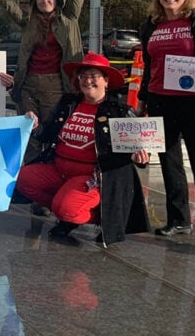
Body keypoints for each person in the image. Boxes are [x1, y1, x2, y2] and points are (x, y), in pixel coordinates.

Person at [17, 52, 149, 245]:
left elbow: (139, 146)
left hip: (90, 176)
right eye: (83, 76)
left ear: (106, 81)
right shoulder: (68, 103)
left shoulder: (118, 111)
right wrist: (35, 125)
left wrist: (140, 157)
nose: (88, 81)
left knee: (66, 208)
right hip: (58, 168)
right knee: (23, 179)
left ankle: (100, 217)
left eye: (94, 76)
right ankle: (67, 210)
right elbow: (47, 132)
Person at [0, 0, 93, 159]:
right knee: (30, 136)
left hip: (57, 86)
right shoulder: (28, 23)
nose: (45, 0)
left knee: (53, 134)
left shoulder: (69, 18)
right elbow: (6, 2)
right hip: (28, 85)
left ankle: (50, 179)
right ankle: (30, 181)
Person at [136, 0, 195, 252]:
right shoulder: (151, 25)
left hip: (194, 102)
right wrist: (142, 99)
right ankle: (179, 219)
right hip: (160, 100)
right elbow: (149, 65)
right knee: (169, 161)